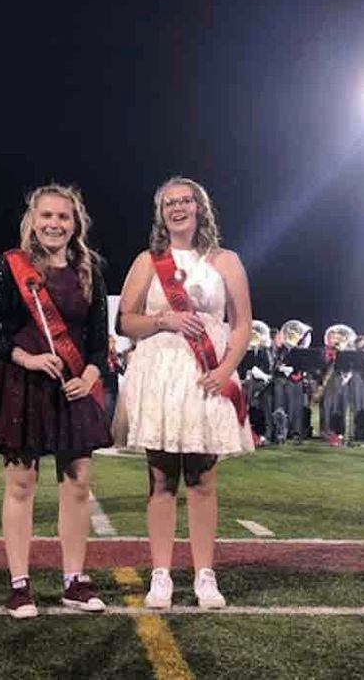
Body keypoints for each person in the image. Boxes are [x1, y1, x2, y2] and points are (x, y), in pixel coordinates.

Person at [0, 183, 111, 619]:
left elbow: (97, 339)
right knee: (21, 485)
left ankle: (74, 580)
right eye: (46, 216)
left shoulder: (90, 269)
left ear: (76, 223)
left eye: (63, 217)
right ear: (33, 220)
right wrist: (25, 357)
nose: (54, 224)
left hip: (73, 387)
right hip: (23, 384)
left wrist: (89, 374)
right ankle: (19, 584)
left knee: (78, 484)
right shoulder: (9, 266)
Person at [118, 176, 254, 610]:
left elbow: (243, 323)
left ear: (200, 208)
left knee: (203, 479)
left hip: (206, 374)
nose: (178, 208)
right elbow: (126, 322)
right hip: (159, 375)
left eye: (186, 201)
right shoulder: (147, 261)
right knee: (160, 477)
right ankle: (161, 574)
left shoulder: (226, 260)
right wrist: (164, 320)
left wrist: (227, 369)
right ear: (161, 213)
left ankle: (204, 575)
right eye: (169, 203)